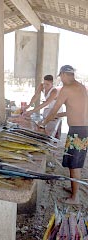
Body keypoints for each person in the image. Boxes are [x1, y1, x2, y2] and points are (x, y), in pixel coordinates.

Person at [39, 65, 88, 205]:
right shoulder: (81, 87)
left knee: (74, 165)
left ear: (64, 74)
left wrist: (43, 123)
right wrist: (59, 115)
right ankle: (74, 188)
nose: (60, 79)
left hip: (78, 131)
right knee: (73, 161)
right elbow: (74, 109)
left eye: (60, 76)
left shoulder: (67, 89)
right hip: (83, 129)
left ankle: (75, 197)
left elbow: (54, 109)